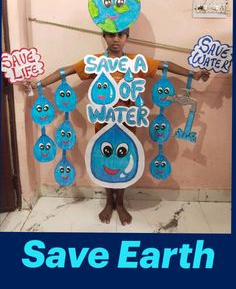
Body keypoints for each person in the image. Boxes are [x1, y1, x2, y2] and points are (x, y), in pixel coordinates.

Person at [24, 28, 210, 225]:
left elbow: (165, 65)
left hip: (128, 122)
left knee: (122, 159)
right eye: (111, 35)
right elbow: (67, 70)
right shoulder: (95, 62)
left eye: (121, 35)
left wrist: (194, 74)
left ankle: (120, 203)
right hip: (103, 122)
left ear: (127, 37)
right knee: (104, 159)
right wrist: (39, 85)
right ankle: (108, 202)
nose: (116, 39)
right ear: (104, 37)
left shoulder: (136, 61)